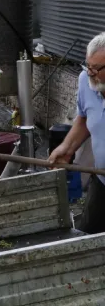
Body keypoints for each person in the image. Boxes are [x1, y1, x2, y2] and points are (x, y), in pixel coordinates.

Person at [49, 32, 105, 233]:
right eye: (88, 66)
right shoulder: (86, 81)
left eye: (97, 69)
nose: (91, 73)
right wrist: (67, 147)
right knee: (88, 237)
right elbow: (83, 118)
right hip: (101, 181)